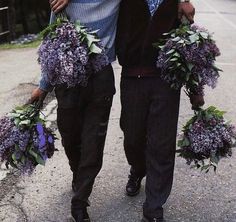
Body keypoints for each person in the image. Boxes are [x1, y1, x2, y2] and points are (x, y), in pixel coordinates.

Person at [29, 0, 121, 221]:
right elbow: (52, 41)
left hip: (100, 76)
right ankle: (78, 174)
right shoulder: (62, 3)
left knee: (93, 143)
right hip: (68, 78)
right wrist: (43, 87)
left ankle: (80, 201)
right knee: (70, 136)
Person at [116, 0, 204, 221]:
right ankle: (138, 169)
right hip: (132, 75)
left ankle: (154, 207)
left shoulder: (177, 3)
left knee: (162, 145)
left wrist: (195, 89)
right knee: (132, 136)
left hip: (165, 80)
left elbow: (187, 45)